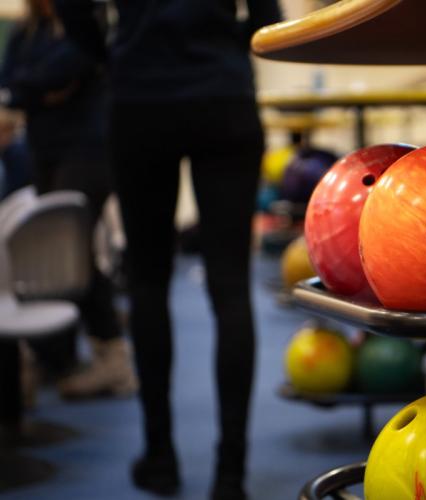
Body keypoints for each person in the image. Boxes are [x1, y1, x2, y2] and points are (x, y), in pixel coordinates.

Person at [55, 1, 281, 498]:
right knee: (230, 289)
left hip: (141, 94)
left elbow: (72, 8)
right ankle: (230, 476)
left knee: (148, 282)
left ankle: (160, 459)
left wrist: (113, 52)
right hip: (223, 94)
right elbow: (269, 16)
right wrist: (222, 42)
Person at [0, 0, 137, 398]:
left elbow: (64, 69)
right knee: (50, 256)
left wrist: (29, 90)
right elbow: (14, 83)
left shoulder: (87, 20)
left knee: (70, 254)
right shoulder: (28, 31)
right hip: (44, 151)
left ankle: (113, 360)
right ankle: (55, 357)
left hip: (88, 151)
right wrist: (40, 89)